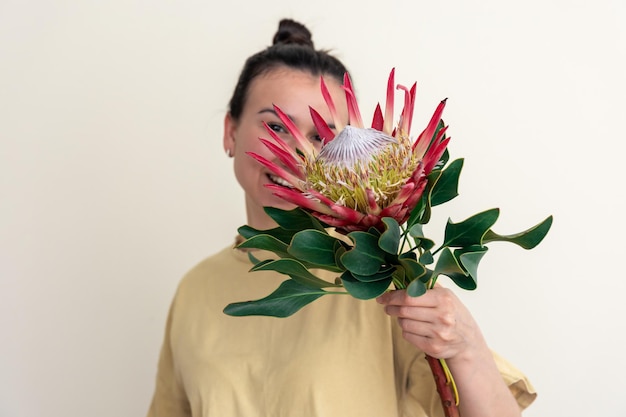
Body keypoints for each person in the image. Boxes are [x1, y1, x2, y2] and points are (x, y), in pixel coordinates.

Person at [146, 18, 536, 417]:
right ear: (231, 132)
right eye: (276, 125)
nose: (297, 152)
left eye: (319, 135)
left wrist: (465, 346)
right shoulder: (194, 291)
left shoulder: (381, 278)